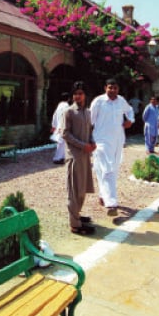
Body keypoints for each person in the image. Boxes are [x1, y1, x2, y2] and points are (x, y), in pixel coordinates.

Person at [90, 78, 134, 217]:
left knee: (110, 169)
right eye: (110, 88)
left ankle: (103, 194)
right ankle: (111, 203)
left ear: (118, 89)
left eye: (115, 88)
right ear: (105, 88)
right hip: (101, 141)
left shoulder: (121, 101)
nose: (113, 90)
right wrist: (88, 139)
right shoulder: (98, 102)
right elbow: (89, 121)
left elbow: (130, 110)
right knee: (107, 168)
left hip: (118, 141)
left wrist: (130, 121)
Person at [62, 81, 97, 235]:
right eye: (75, 93)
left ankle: (77, 215)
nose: (77, 96)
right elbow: (65, 134)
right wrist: (83, 145)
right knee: (74, 190)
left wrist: (92, 142)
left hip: (85, 156)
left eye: (80, 93)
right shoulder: (69, 112)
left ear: (85, 95)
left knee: (82, 188)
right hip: (74, 157)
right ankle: (75, 224)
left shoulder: (88, 113)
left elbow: (90, 130)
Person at [50, 92, 70, 164]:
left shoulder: (59, 107)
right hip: (63, 127)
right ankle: (57, 158)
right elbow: (67, 117)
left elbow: (54, 116)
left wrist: (54, 126)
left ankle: (62, 157)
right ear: (68, 99)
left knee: (62, 143)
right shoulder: (67, 106)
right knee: (62, 143)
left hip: (59, 126)